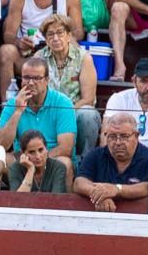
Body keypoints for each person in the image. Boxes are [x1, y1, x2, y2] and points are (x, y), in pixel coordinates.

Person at [0, 0, 81, 96]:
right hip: (30, 57)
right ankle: (8, 106)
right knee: (6, 51)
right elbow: (8, 35)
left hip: (59, 53)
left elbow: (78, 32)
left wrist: (58, 39)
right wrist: (19, 42)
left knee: (73, 43)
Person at [0, 56, 76, 179]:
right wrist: (18, 111)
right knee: (0, 160)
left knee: (64, 163)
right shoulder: (12, 104)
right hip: (22, 160)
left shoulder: (63, 103)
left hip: (52, 159)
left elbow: (65, 148)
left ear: (47, 80)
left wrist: (37, 161)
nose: (30, 83)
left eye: (36, 78)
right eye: (26, 77)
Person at [34, 13, 100, 158]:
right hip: (47, 111)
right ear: (45, 39)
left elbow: (88, 99)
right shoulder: (39, 57)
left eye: (60, 33)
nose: (55, 38)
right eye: (50, 34)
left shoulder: (84, 58)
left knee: (88, 114)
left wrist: (64, 112)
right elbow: (33, 91)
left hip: (74, 110)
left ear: (69, 35)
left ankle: (85, 160)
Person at [73, 113, 148, 212]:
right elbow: (79, 182)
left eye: (124, 136)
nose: (118, 142)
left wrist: (117, 189)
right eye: (112, 137)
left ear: (136, 136)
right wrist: (100, 196)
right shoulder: (95, 155)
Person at [7, 129, 67, 194]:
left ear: (46, 149)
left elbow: (56, 199)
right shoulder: (15, 168)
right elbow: (17, 200)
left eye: (41, 150)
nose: (38, 156)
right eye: (32, 152)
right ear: (23, 154)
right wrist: (30, 170)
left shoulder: (58, 167)